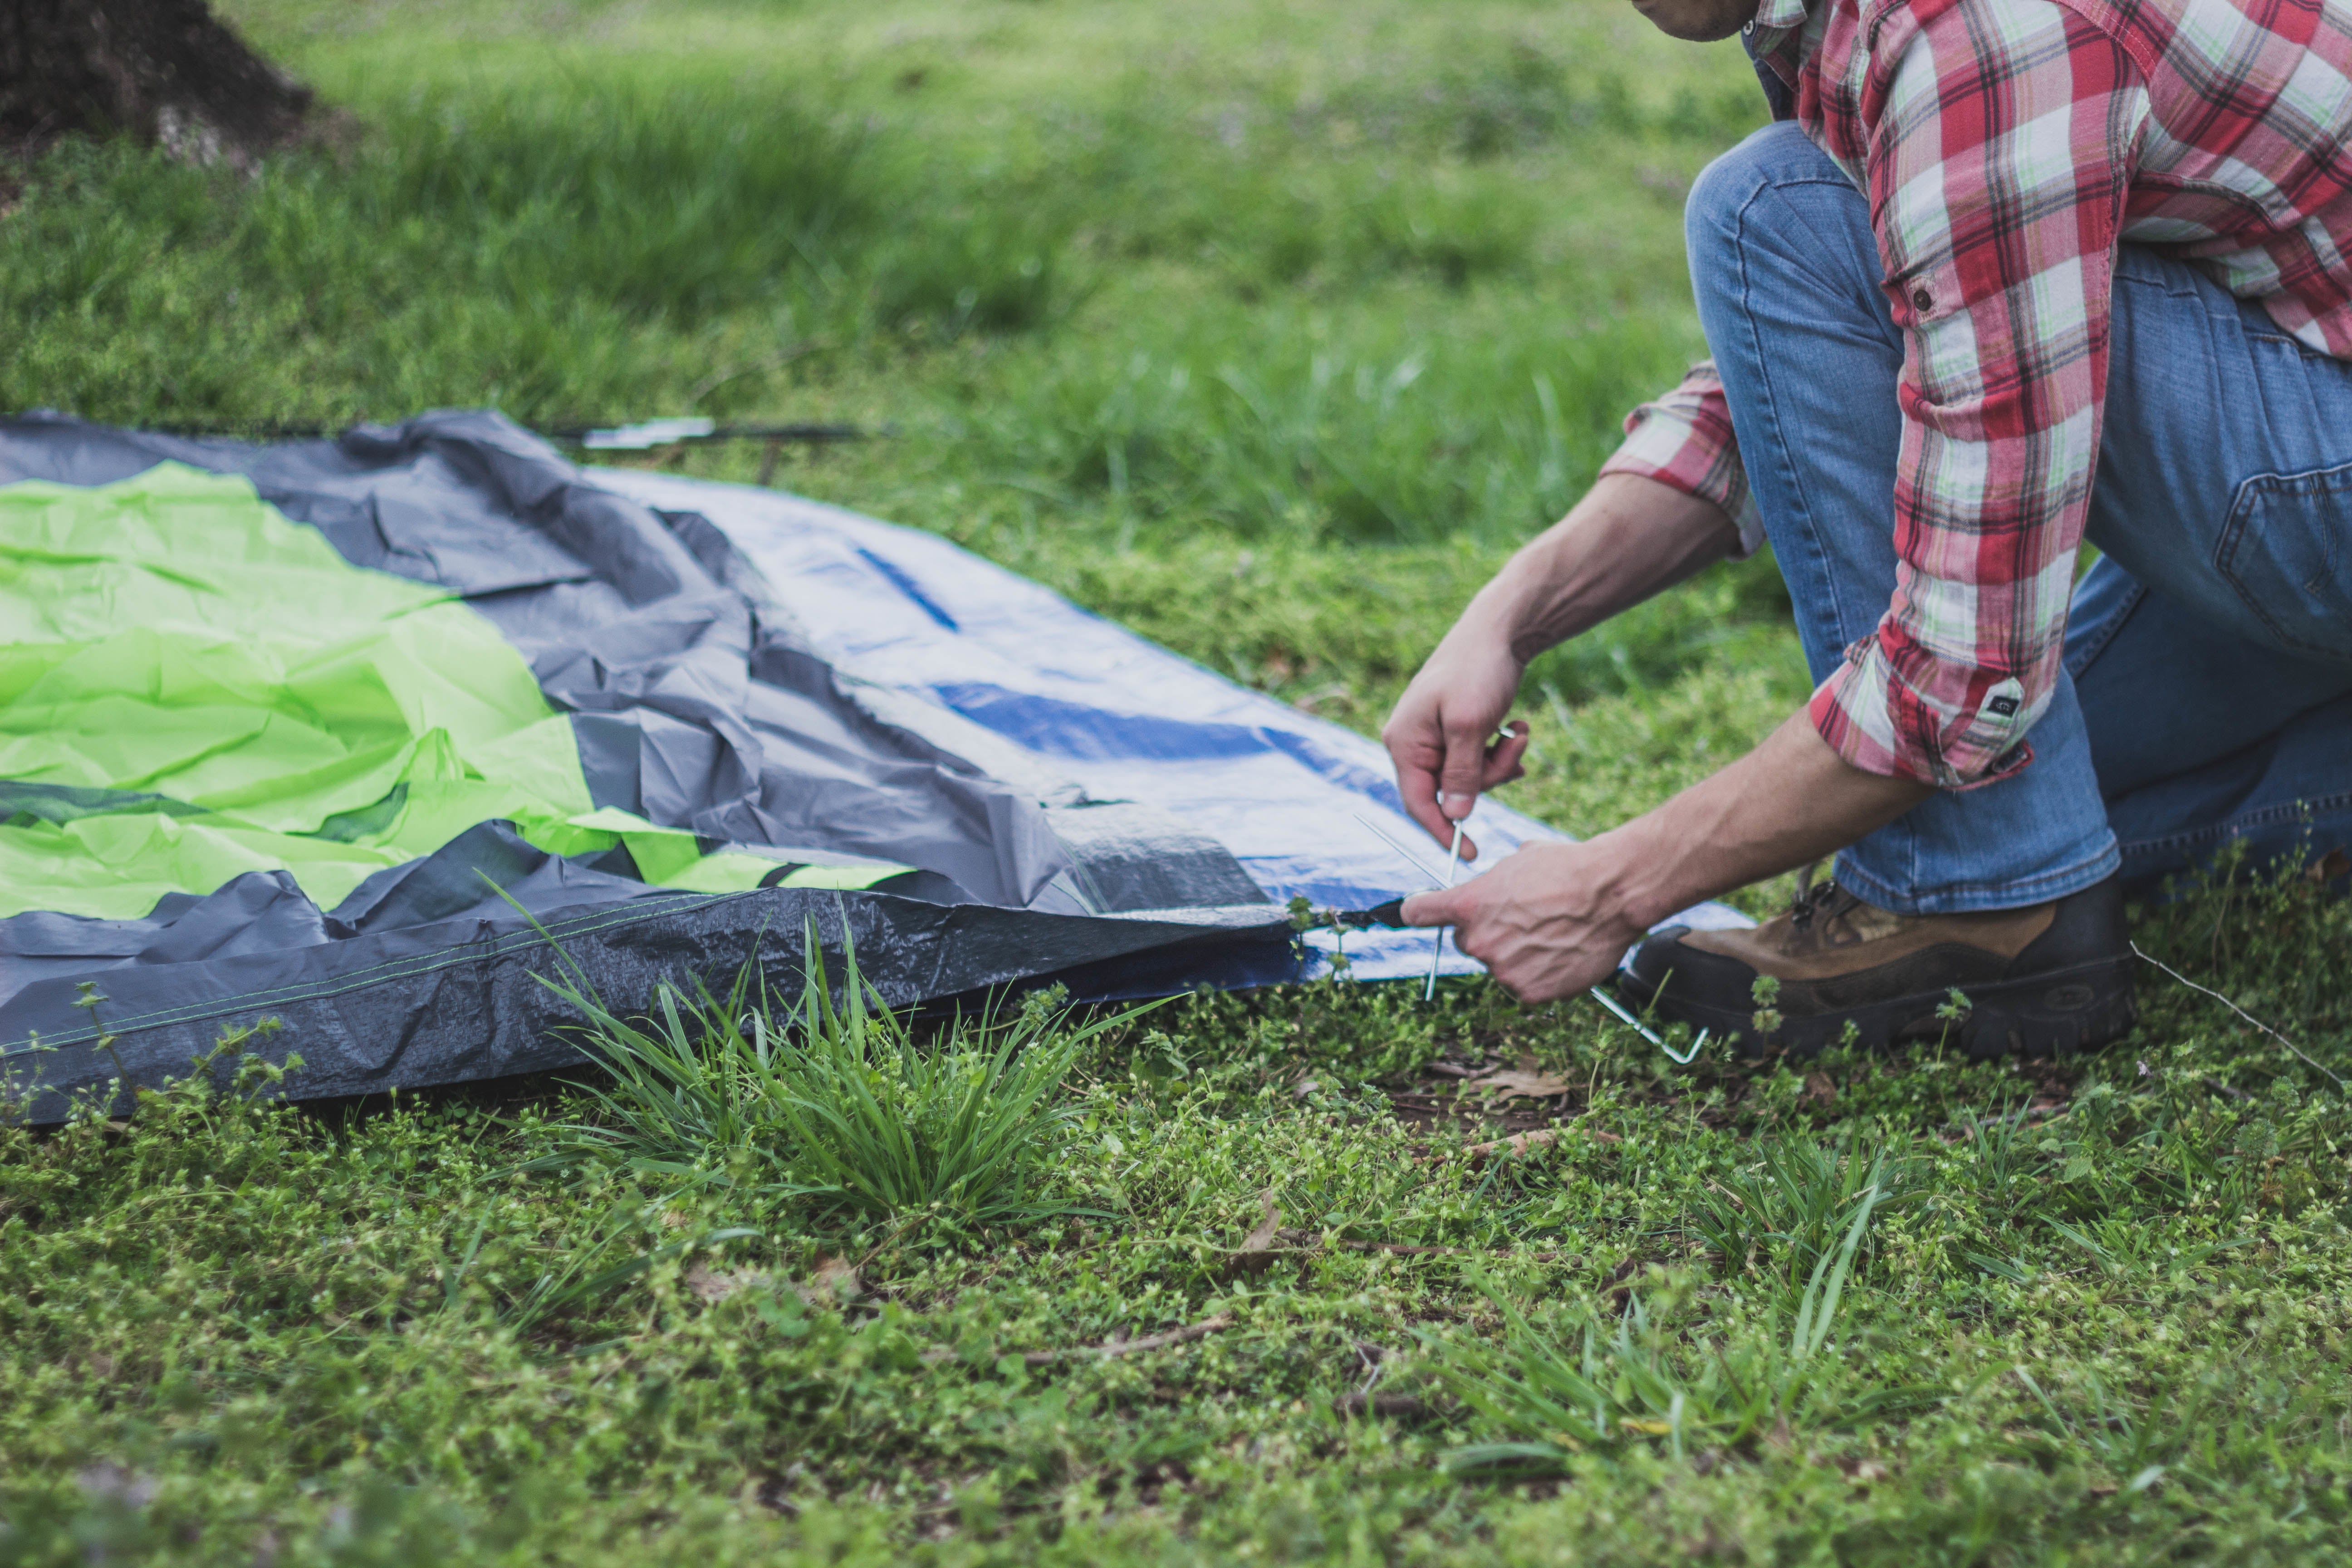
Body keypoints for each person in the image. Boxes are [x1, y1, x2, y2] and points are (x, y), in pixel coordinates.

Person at [1386, 0, 2352, 1056]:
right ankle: (2002, 878)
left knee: (1768, 210)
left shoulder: (1973, 33)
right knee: (2045, 806)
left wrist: (1614, 886)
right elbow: (1870, 341)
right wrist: (1511, 614)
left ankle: (1968, 908)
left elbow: (1963, 671)